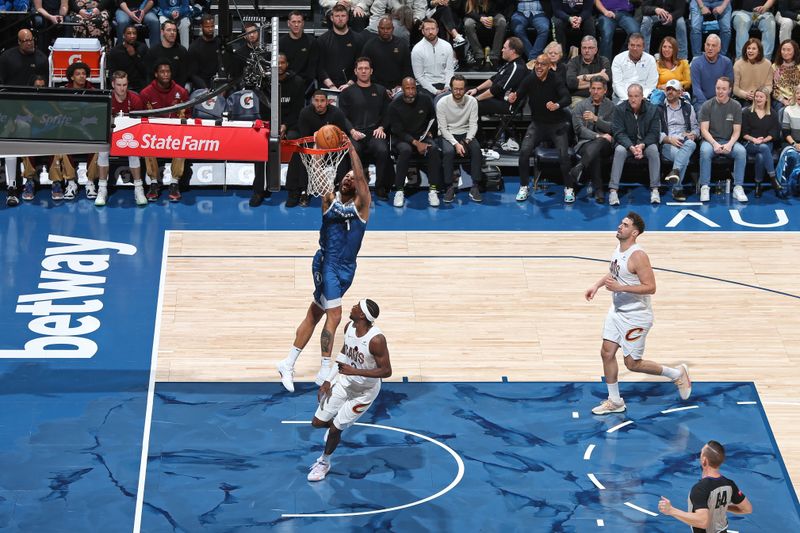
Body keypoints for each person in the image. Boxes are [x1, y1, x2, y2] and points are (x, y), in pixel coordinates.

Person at [276, 146, 372, 393]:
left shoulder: (362, 206)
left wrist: (351, 149)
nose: (348, 178)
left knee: (314, 314)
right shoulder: (329, 199)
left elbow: (361, 178)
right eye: (346, 176)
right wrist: (320, 151)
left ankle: (287, 363)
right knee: (336, 316)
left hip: (347, 270)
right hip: (326, 263)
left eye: (352, 178)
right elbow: (322, 177)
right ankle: (325, 367)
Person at [585, 211, 692, 416]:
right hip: (617, 312)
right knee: (606, 353)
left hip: (636, 316)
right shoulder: (619, 249)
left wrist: (620, 288)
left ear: (634, 232)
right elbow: (615, 272)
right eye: (620, 223)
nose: (619, 227)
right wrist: (597, 285)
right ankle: (615, 401)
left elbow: (651, 287)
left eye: (624, 225)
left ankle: (677, 374)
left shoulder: (639, 256)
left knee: (632, 364)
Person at [306, 298, 391, 482]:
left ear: (362, 315)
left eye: (356, 307)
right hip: (345, 382)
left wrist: (355, 370)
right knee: (317, 423)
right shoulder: (349, 327)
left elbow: (386, 371)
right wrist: (328, 380)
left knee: (336, 430)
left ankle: (324, 462)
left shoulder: (376, 340)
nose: (352, 307)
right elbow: (345, 352)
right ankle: (339, 425)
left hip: (364, 393)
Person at [509, 54, 572, 202]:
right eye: (537, 64)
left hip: (557, 125)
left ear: (549, 66)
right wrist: (513, 97)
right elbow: (519, 93)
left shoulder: (556, 79)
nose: (539, 67)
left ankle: (569, 188)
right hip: (537, 124)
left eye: (543, 64)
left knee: (564, 156)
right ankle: (524, 186)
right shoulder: (530, 78)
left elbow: (567, 98)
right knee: (524, 153)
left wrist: (557, 105)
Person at [250, 52, 305, 207]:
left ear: (287, 65)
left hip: (291, 124)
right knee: (260, 144)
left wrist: (285, 125)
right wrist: (274, 125)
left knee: (296, 145)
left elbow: (298, 110)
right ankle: (259, 190)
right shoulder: (265, 83)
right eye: (277, 63)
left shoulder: (298, 82)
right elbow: (263, 108)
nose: (279, 66)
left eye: (282, 63)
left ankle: (294, 190)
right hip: (270, 123)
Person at [658, 441, 753, 531]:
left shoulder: (700, 489)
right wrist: (720, 506)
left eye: (701, 454)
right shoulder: (729, 484)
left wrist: (671, 510)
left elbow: (703, 522)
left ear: (704, 460)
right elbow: (747, 509)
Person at [338, 57, 393, 205]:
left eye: (366, 68)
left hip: (374, 133)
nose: (363, 71)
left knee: (382, 149)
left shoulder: (380, 91)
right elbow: (342, 116)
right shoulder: (347, 92)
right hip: (355, 133)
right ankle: (354, 189)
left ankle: (381, 188)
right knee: (353, 150)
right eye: (360, 68)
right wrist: (351, 130)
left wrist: (382, 127)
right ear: (355, 72)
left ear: (371, 71)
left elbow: (388, 114)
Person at [286, 91, 352, 207]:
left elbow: (341, 134)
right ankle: (300, 192)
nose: (319, 104)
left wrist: (325, 136)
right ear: (312, 101)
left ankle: (342, 192)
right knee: (299, 154)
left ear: (327, 102)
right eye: (316, 100)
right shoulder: (305, 113)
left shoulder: (336, 113)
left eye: (322, 101)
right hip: (311, 143)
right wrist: (318, 137)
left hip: (333, 146)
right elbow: (304, 137)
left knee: (344, 156)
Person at [139, 59, 190, 202]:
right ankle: (154, 183)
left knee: (182, 143)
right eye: (162, 72)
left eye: (168, 71)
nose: (165, 74)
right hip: (154, 135)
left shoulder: (182, 92)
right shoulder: (146, 93)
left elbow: (187, 116)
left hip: (174, 134)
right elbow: (142, 119)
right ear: (156, 74)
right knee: (146, 145)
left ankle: (174, 183)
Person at [387, 77, 442, 207]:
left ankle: (433, 189)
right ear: (402, 89)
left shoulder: (425, 99)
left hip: (422, 136)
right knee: (405, 150)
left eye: (413, 88)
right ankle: (399, 190)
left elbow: (433, 117)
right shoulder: (394, 105)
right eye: (408, 88)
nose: (411, 91)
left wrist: (431, 132)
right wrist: (416, 143)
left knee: (433, 148)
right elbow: (398, 131)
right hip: (401, 138)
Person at [609, 83, 663, 205]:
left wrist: (643, 145)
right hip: (628, 144)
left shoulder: (652, 109)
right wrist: (631, 147)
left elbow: (654, 133)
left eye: (636, 96)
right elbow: (618, 132)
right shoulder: (619, 109)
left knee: (654, 150)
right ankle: (613, 190)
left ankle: (655, 189)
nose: (633, 99)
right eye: (630, 96)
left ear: (642, 97)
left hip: (645, 144)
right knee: (619, 151)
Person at [698, 76, 747, 202]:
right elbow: (704, 130)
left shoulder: (736, 106)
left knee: (741, 152)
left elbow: (737, 131)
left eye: (723, 89)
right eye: (718, 88)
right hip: (711, 141)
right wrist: (714, 144)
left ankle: (738, 187)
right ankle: (704, 186)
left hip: (729, 141)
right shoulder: (707, 105)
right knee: (704, 151)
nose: (720, 91)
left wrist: (730, 144)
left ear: (729, 90)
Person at [435, 74, 483, 203]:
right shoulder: (442, 103)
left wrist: (466, 140)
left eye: (461, 89)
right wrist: (456, 144)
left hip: (466, 133)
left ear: (465, 88)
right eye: (455, 89)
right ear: (450, 88)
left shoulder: (472, 101)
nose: (458, 92)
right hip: (448, 133)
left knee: (476, 149)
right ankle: (449, 187)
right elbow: (443, 129)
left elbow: (473, 124)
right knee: (449, 152)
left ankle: (475, 186)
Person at [103, 70, 148, 206]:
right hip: (110, 135)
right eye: (119, 85)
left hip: (129, 135)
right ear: (113, 84)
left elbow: (140, 122)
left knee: (133, 152)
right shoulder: (107, 98)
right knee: (102, 151)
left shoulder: (135, 99)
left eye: (124, 85)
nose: (122, 88)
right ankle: (102, 189)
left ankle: (138, 189)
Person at [570, 76, 616, 203]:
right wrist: (597, 136)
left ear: (605, 90)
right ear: (589, 89)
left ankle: (580, 167)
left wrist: (596, 120)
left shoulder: (612, 106)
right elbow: (579, 130)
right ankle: (599, 190)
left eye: (599, 89)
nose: (595, 91)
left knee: (600, 143)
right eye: (593, 88)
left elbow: (613, 128)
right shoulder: (580, 106)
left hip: (606, 145)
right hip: (585, 144)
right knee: (595, 151)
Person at [659, 79, 700, 201]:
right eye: (668, 89)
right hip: (668, 143)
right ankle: (677, 189)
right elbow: (655, 133)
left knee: (691, 144)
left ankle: (675, 172)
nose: (670, 92)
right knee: (683, 158)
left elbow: (696, 128)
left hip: (685, 141)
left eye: (673, 90)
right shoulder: (659, 108)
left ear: (680, 93)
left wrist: (693, 134)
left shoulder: (688, 107)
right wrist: (669, 139)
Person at [466, 36, 528, 115]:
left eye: (504, 48)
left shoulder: (517, 68)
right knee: (469, 97)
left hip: (509, 105)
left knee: (473, 105)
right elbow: (493, 79)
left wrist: (476, 99)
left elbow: (497, 89)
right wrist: (476, 89)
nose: (502, 50)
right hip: (498, 99)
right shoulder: (509, 63)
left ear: (512, 51)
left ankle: (472, 127)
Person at [742, 86, 781, 198]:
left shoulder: (772, 113)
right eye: (756, 96)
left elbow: (775, 133)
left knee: (761, 155)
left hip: (766, 142)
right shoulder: (747, 112)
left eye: (761, 97)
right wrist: (754, 140)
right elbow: (744, 133)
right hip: (750, 143)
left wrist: (764, 140)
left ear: (766, 99)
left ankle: (758, 184)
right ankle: (773, 179)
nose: (758, 99)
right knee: (763, 149)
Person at [360, 16, 413, 97]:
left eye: (388, 28)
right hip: (375, 87)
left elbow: (407, 69)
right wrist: (379, 88)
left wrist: (401, 85)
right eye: (382, 28)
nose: (385, 31)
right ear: (378, 28)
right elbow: (365, 70)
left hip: (398, 87)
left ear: (393, 29)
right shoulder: (369, 46)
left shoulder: (402, 45)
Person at [317, 4, 367, 91]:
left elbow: (361, 65)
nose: (340, 19)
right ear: (331, 18)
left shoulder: (358, 39)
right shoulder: (322, 40)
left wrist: (349, 84)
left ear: (347, 17)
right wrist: (331, 86)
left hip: (352, 85)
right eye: (337, 16)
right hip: (329, 87)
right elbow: (319, 68)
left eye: (343, 16)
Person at [411, 18, 456, 98]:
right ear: (422, 31)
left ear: (437, 30)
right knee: (426, 100)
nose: (430, 32)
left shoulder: (447, 46)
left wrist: (447, 86)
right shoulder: (417, 49)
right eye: (427, 29)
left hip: (444, 84)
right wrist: (435, 91)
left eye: (433, 29)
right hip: (425, 86)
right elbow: (419, 76)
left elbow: (449, 70)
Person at [690, 34, 734, 112]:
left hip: (722, 100)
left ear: (719, 48)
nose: (710, 48)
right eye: (708, 45)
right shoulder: (696, 63)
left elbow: (729, 86)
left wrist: (720, 102)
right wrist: (709, 106)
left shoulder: (726, 62)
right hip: (701, 102)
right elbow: (696, 89)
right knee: (703, 113)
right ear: (704, 46)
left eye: (713, 45)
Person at [462, 0, 508, 70]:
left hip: (492, 14)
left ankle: (494, 57)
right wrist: (480, 18)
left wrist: (488, 19)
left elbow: (499, 7)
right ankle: (479, 56)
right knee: (468, 24)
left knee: (502, 22)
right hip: (472, 15)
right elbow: (464, 10)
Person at [611, 33, 658, 102]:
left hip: (644, 98)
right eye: (632, 45)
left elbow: (651, 83)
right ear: (628, 46)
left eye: (638, 46)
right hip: (622, 98)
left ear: (643, 47)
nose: (635, 48)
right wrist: (628, 99)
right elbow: (617, 84)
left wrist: (642, 97)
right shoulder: (618, 59)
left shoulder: (650, 60)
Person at [566, 36, 611, 105]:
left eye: (590, 48)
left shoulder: (603, 60)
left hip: (601, 98)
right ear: (581, 49)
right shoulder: (574, 62)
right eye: (584, 48)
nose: (586, 50)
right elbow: (571, 83)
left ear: (596, 50)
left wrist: (582, 77)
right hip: (578, 98)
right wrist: (599, 76)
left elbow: (607, 77)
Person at [279, 11, 318, 90]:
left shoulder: (311, 42)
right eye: (293, 22)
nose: (296, 25)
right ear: (288, 23)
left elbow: (312, 67)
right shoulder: (281, 42)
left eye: (299, 22)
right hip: (286, 83)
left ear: (303, 23)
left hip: (306, 85)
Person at [144, 19, 189, 87]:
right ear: (162, 32)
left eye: (174, 30)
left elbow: (183, 76)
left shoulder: (182, 51)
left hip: (176, 89)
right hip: (157, 89)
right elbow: (149, 76)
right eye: (169, 30)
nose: (172, 33)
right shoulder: (153, 51)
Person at [107, 24, 149, 92]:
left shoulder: (143, 48)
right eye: (129, 33)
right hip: (122, 87)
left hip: (140, 87)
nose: (132, 36)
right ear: (123, 35)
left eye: (134, 33)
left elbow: (146, 71)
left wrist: (134, 55)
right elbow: (112, 72)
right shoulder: (115, 51)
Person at [733, 37, 774, 105]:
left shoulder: (767, 64)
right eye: (748, 48)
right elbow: (735, 89)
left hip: (762, 97)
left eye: (754, 49)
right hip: (744, 98)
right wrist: (746, 94)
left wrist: (760, 94)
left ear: (759, 51)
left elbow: (769, 86)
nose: (750, 51)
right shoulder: (738, 64)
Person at [188, 14, 222, 89]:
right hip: (201, 85)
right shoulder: (194, 47)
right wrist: (205, 89)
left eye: (212, 26)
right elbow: (193, 74)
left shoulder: (219, 43)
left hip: (218, 83)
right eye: (207, 27)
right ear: (201, 27)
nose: (210, 29)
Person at [772, 39, 800, 114]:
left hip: (797, 97)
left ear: (794, 51)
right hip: (780, 100)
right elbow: (774, 88)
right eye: (783, 50)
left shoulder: (799, 67)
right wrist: (783, 100)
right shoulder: (775, 67)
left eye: (789, 50)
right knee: (781, 110)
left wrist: (795, 98)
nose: (785, 52)